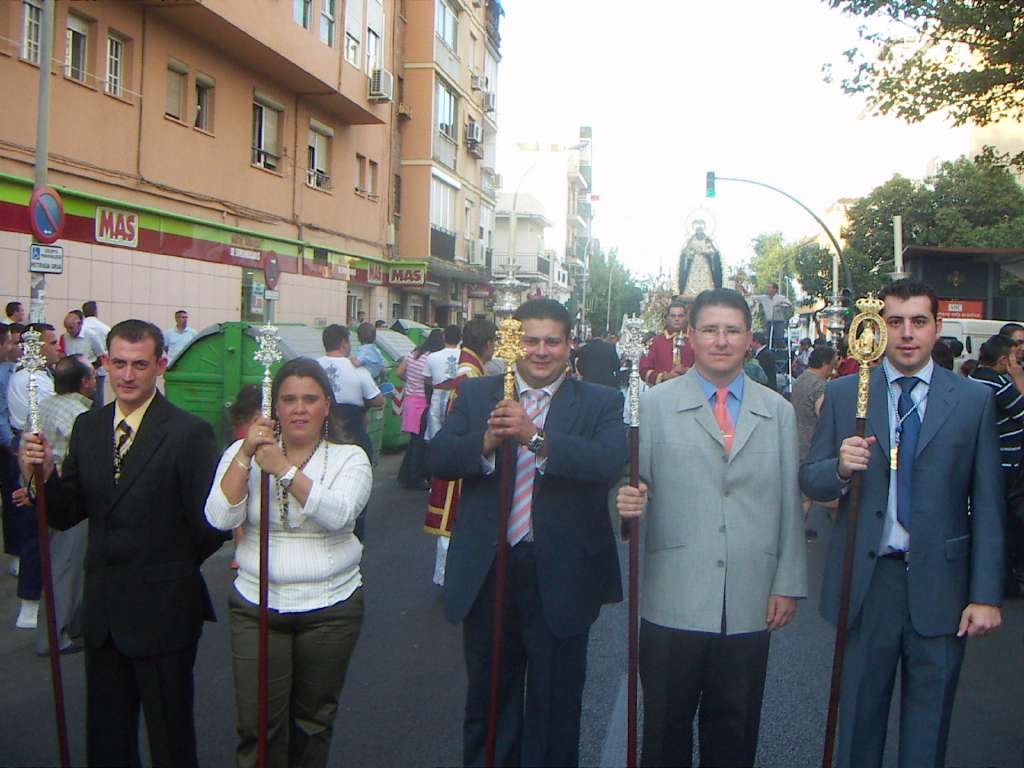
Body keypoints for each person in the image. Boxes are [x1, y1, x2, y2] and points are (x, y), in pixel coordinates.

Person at [800, 279, 1004, 768]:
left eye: (919, 321)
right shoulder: (848, 394)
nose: (907, 334)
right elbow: (812, 479)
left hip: (942, 586)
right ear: (879, 329)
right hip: (870, 585)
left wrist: (986, 594)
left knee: (927, 732)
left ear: (937, 328)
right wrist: (838, 469)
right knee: (858, 729)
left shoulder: (973, 400)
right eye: (895, 322)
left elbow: (990, 503)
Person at [18, 319, 227, 767]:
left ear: (160, 366)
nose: (127, 376)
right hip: (104, 614)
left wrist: (163, 567)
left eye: (139, 365)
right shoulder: (89, 428)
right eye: (119, 364)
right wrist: (41, 478)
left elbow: (210, 528)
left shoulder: (189, 434)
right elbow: (67, 510)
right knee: (106, 740)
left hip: (164, 611)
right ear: (105, 363)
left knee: (170, 739)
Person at [428, 299, 626, 767]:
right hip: (489, 570)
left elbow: (607, 464)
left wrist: (534, 438)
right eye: (532, 340)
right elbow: (437, 458)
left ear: (569, 345)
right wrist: (485, 443)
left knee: (555, 707)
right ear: (516, 344)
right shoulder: (480, 396)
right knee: (490, 704)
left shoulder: (600, 401)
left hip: (559, 573)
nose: (541, 352)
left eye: (552, 341)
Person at [617, 288, 807, 768]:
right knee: (664, 732)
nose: (721, 341)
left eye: (732, 330)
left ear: (749, 338)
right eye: (710, 330)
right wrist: (627, 499)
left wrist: (787, 582)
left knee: (735, 730)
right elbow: (630, 481)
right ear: (691, 335)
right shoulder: (653, 405)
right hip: (673, 596)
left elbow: (788, 499)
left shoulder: (777, 411)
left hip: (748, 596)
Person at [205, 358, 372, 768]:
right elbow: (219, 518)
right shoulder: (244, 453)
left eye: (310, 399)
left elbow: (339, 515)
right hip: (256, 605)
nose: (300, 408)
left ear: (327, 406)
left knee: (313, 722)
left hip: (330, 607)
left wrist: (282, 469)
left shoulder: (350, 458)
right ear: (274, 406)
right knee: (258, 724)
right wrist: (246, 455)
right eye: (289, 399)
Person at [30, 355, 96, 655]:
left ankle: (69, 625)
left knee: (59, 563)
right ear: (84, 382)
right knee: (65, 566)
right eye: (93, 376)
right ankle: (55, 637)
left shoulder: (45, 405)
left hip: (46, 495)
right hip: (71, 500)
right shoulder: (80, 415)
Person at [425, 318, 496, 586]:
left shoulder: (470, 369)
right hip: (463, 448)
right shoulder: (469, 374)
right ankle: (448, 578)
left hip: (462, 446)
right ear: (488, 344)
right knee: (453, 519)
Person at [7, 322, 59, 629]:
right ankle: (29, 605)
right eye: (52, 343)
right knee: (36, 531)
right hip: (33, 450)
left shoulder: (30, 377)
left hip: (25, 442)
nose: (57, 348)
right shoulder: (36, 383)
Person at [968, 334, 1024, 597]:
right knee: (1006, 521)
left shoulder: (974, 377)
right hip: (1007, 462)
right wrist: (1018, 378)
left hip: (991, 458)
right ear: (1003, 359)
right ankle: (1004, 579)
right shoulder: (999, 383)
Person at [317, 324, 383, 540]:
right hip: (352, 433)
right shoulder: (357, 370)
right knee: (357, 483)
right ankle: (354, 535)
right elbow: (378, 400)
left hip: (320, 434)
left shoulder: (313, 367)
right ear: (345, 343)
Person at [792, 345, 838, 539]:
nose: (833, 370)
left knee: (801, 492)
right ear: (825, 364)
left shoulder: (801, 379)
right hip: (812, 442)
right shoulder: (820, 385)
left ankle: (796, 529)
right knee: (809, 493)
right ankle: (797, 532)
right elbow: (824, 414)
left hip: (797, 437)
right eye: (832, 365)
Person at [396, 329, 443, 489]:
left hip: (410, 401)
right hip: (423, 402)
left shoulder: (413, 353)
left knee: (414, 441)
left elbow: (399, 372)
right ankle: (415, 478)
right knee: (420, 443)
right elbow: (430, 380)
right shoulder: (432, 358)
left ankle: (405, 475)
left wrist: (410, 381)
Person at [639, 301, 695, 387]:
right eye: (673, 316)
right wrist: (664, 377)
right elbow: (644, 370)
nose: (677, 319)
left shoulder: (695, 341)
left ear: (686, 318)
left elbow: (706, 368)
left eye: (680, 316)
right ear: (667, 318)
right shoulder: (654, 342)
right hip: (661, 392)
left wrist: (687, 371)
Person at [424, 324, 462, 439]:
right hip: (458, 398)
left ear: (444, 337)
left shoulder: (432, 357)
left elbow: (427, 379)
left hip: (437, 396)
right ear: (460, 338)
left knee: (435, 436)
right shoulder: (465, 356)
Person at [82, 300, 111, 407]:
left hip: (82, 369)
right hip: (100, 369)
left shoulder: (81, 328)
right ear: (95, 311)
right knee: (98, 399)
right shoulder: (105, 328)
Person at [753, 282, 792, 349]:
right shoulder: (763, 298)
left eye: (769, 287)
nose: (767, 289)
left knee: (779, 339)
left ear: (774, 289)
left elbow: (789, 304)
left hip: (779, 322)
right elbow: (753, 297)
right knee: (767, 339)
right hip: (769, 322)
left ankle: (780, 353)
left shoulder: (781, 298)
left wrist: (781, 303)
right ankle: (768, 352)